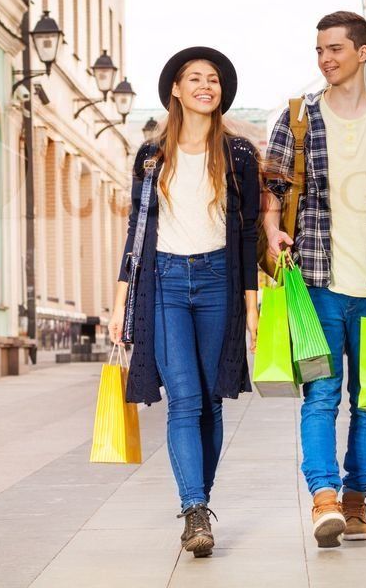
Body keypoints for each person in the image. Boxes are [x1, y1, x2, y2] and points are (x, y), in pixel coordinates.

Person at [263, 11, 366, 548]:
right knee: (320, 396)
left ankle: (356, 498)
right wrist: (272, 232)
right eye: (319, 50)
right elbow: (274, 191)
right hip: (315, 286)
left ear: (362, 52)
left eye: (335, 49)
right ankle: (324, 498)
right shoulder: (297, 119)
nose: (325, 59)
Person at [108, 47, 260, 558]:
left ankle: (200, 501)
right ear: (175, 88)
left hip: (219, 278)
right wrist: (120, 300)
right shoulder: (152, 155)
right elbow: (136, 231)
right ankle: (194, 508)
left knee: (212, 400)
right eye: (194, 78)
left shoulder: (238, 155)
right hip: (166, 282)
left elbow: (245, 233)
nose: (205, 86)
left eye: (213, 79)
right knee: (185, 400)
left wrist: (251, 303)